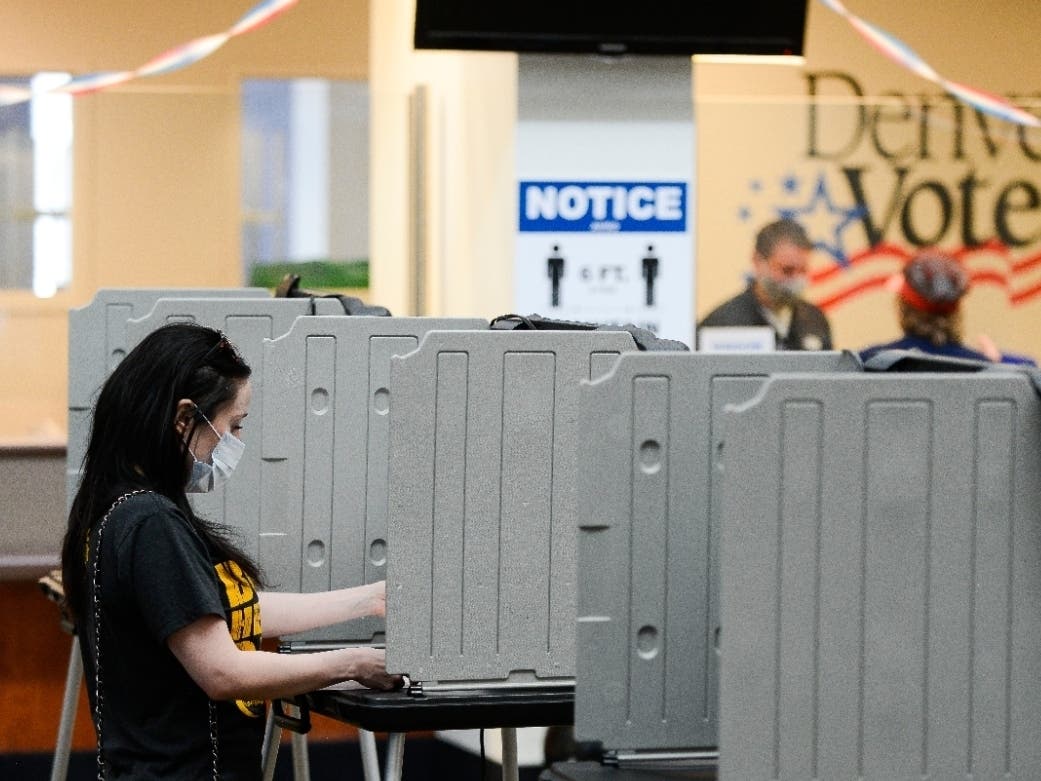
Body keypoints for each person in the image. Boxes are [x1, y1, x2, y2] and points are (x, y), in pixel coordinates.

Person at [60, 322, 401, 780]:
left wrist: (367, 600)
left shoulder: (120, 507)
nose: (234, 442)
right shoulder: (149, 523)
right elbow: (223, 672)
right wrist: (353, 664)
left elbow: (220, 611)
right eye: (233, 425)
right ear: (185, 419)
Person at [858, 250, 1038, 366]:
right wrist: (1000, 362)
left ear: (903, 307)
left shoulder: (869, 362)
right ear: (957, 310)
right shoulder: (986, 369)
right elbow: (1031, 371)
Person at [697, 218, 833, 350]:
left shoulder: (815, 320)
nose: (796, 280)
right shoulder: (721, 324)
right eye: (787, 270)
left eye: (803, 270)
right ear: (758, 262)